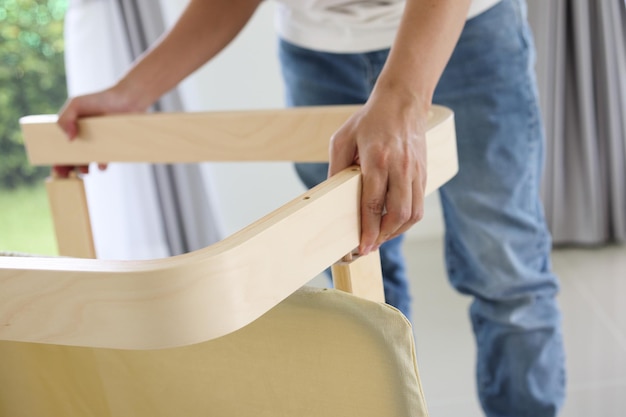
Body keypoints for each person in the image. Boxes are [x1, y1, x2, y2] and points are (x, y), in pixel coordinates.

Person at [57, 0, 566, 415]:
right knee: (361, 285)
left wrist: (404, 93)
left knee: (507, 272)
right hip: (318, 52)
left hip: (465, 34)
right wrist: (132, 91)